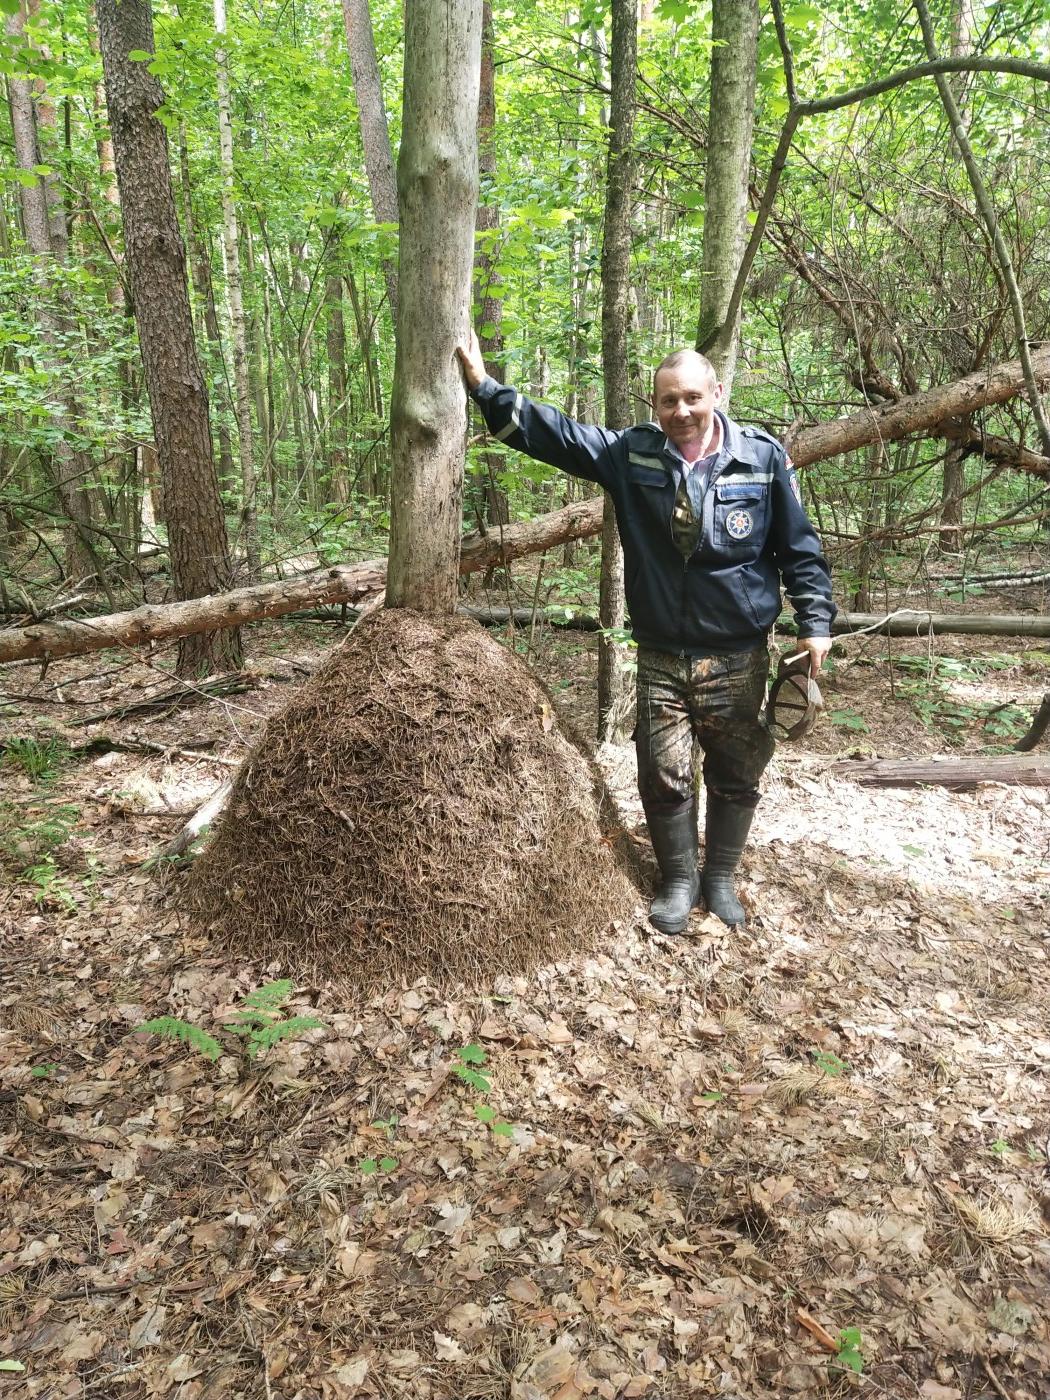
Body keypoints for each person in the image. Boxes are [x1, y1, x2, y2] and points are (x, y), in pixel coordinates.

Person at [456, 332, 835, 934]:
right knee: (662, 772)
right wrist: (485, 387)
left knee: (737, 771)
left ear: (717, 393)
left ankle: (720, 877)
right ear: (654, 405)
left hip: (738, 653)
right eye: (668, 401)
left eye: (692, 398)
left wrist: (815, 623)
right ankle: (679, 880)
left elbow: (800, 548)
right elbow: (559, 436)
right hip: (661, 651)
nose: (681, 411)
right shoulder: (632, 455)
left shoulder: (762, 459)